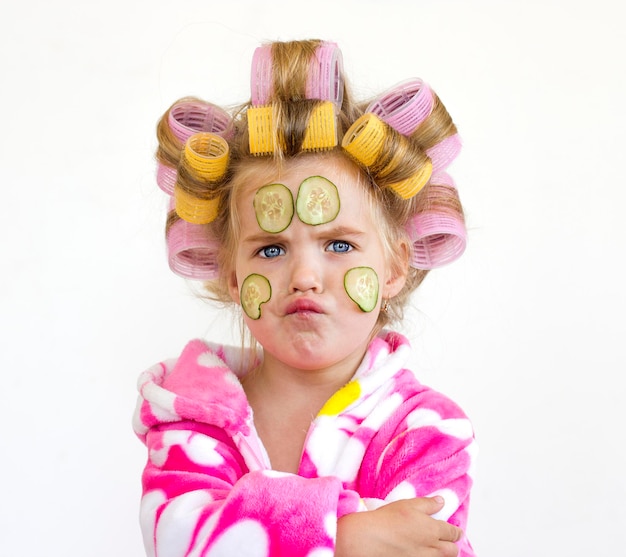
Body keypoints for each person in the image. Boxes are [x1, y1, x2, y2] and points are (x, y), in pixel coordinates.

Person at [134, 39, 477, 557]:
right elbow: (178, 533)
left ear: (395, 266)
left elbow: (422, 547)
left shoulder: (425, 431)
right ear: (232, 274)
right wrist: (346, 535)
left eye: (339, 244)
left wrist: (242, 526)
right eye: (271, 249)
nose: (304, 275)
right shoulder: (191, 412)